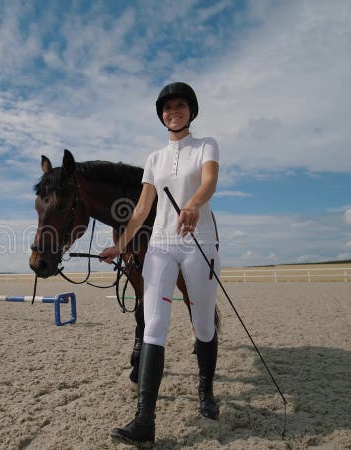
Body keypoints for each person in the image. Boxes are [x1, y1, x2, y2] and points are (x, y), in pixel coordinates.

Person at [99, 81, 221, 447]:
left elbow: (209, 182)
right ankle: (144, 421)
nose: (174, 112)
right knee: (153, 325)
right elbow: (141, 209)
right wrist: (120, 244)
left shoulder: (206, 146)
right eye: (168, 108)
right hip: (162, 245)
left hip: (199, 242)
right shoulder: (154, 159)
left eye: (180, 106)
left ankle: (206, 391)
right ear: (161, 115)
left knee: (203, 323)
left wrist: (193, 206)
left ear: (191, 110)